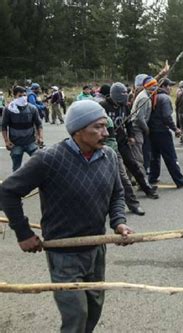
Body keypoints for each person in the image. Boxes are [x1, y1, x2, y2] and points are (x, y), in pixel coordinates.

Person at [0, 99, 134, 332]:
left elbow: (117, 195)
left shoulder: (109, 156)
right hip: (63, 252)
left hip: (96, 247)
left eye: (106, 126)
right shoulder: (49, 159)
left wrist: (119, 222)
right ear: (78, 131)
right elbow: (7, 192)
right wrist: (23, 233)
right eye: (98, 127)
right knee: (76, 316)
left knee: (93, 309)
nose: (106, 132)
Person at [99, 82, 159, 199]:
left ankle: (147, 189)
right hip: (108, 143)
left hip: (122, 141)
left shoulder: (124, 106)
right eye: (123, 93)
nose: (126, 95)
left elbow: (128, 122)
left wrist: (131, 135)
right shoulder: (103, 106)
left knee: (133, 165)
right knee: (111, 170)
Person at [148, 78, 183, 188]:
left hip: (152, 131)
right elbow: (167, 117)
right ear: (163, 86)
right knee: (171, 157)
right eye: (169, 86)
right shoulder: (164, 98)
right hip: (162, 131)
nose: (170, 88)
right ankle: (180, 181)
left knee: (154, 157)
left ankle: (153, 177)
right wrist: (175, 129)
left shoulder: (153, 96)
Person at [2, 86, 44, 172]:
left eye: (25, 95)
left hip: (31, 142)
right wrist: (6, 141)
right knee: (17, 169)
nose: (23, 98)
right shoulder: (8, 110)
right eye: (20, 95)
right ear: (14, 96)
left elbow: (39, 124)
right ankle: (17, 185)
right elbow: (3, 126)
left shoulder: (32, 108)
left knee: (39, 165)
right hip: (16, 144)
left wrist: (40, 137)